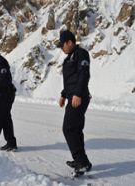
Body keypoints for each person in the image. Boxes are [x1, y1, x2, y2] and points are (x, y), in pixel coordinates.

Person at [57, 30, 92, 174]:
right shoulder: (68, 58)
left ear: (70, 42)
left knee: (69, 128)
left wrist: (77, 94)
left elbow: (84, 74)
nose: (61, 48)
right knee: (76, 130)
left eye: (62, 45)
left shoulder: (81, 54)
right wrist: (63, 95)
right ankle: (83, 161)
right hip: (72, 96)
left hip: (79, 97)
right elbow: (70, 80)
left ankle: (81, 161)